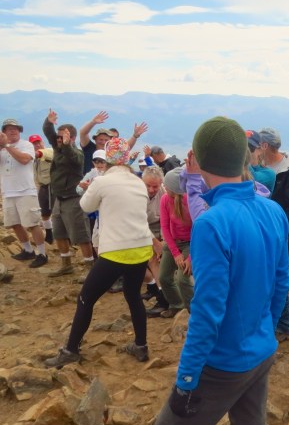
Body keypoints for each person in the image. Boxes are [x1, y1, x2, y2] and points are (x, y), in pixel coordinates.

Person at [144, 116, 289, 425]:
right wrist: (265, 330)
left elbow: (208, 311)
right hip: (261, 350)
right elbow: (282, 281)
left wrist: (187, 379)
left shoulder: (211, 223)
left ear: (195, 158)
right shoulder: (272, 209)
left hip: (223, 361)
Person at [44, 137, 154, 369]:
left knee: (86, 299)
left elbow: (85, 206)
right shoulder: (138, 182)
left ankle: (71, 350)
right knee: (133, 296)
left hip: (115, 250)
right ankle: (141, 346)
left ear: (108, 158)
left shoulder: (102, 181)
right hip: (141, 247)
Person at [260, 127, 289, 341]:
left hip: (278, 232)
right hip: (267, 229)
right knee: (271, 276)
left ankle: (285, 325)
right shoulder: (264, 167)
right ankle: (282, 323)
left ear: (265, 146)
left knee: (276, 277)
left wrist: (277, 225)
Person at [42, 109, 95, 276]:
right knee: (59, 232)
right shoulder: (58, 148)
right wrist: (49, 122)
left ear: (72, 138)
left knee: (80, 234)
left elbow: (72, 156)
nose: (58, 140)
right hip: (59, 198)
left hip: (74, 199)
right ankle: (66, 264)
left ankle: (89, 269)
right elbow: (48, 133)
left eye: (62, 137)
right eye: (58, 137)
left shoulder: (77, 153)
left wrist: (66, 145)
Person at [0, 119, 48, 268]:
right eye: (8, 129)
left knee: (32, 223)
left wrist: (7, 145)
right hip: (8, 191)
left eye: (15, 129)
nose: (12, 131)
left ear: (20, 131)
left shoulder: (26, 145)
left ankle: (42, 253)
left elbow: (24, 159)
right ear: (4, 132)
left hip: (26, 190)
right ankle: (28, 250)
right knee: (14, 223)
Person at [157, 167, 194, 318]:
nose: (164, 187)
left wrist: (190, 257)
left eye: (166, 185)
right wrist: (175, 252)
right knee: (164, 277)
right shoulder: (165, 199)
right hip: (174, 242)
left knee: (183, 279)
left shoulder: (190, 201)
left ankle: (195, 312)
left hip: (191, 243)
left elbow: (198, 230)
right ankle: (177, 305)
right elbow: (165, 227)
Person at [79, 111, 149, 174]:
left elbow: (125, 148)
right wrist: (93, 122)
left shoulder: (112, 154)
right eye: (100, 139)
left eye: (106, 140)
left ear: (110, 141)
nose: (103, 142)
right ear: (95, 139)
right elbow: (83, 133)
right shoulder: (88, 148)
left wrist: (135, 136)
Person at [141, 166, 168, 316]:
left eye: (155, 186)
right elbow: (140, 222)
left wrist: (164, 241)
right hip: (140, 227)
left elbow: (167, 217)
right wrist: (155, 243)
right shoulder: (136, 193)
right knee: (149, 258)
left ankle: (163, 299)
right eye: (148, 185)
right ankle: (154, 288)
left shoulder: (164, 192)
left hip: (161, 226)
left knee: (155, 260)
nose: (151, 190)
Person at [30, 134, 55, 244]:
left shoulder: (49, 151)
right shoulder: (34, 160)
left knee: (58, 212)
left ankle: (66, 236)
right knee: (44, 213)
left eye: (38, 142)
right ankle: (49, 234)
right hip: (43, 187)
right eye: (34, 143)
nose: (37, 145)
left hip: (53, 186)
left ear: (42, 142)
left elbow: (39, 153)